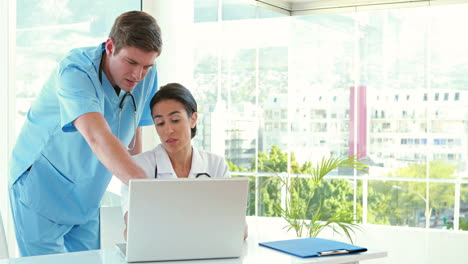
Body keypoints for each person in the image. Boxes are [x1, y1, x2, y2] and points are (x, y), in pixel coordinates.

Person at [8, 11, 162, 257]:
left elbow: (135, 133)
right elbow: (97, 137)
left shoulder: (146, 73)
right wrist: (151, 194)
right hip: (41, 187)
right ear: (110, 46)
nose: (138, 75)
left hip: (87, 194)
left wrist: (135, 200)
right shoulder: (75, 71)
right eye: (131, 63)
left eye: (146, 66)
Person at [120, 83, 248, 240]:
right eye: (160, 123)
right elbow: (132, 232)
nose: (168, 130)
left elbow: (239, 229)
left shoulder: (216, 166)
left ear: (193, 119)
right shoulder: (138, 167)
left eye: (175, 120)